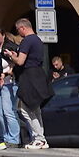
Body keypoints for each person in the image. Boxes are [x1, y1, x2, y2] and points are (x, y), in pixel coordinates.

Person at [11, 18, 52, 149]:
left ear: (22, 28)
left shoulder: (27, 41)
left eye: (18, 30)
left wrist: (12, 56)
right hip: (38, 75)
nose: (19, 33)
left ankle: (38, 138)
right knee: (35, 108)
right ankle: (42, 139)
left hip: (29, 77)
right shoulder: (38, 40)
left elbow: (20, 61)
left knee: (24, 109)